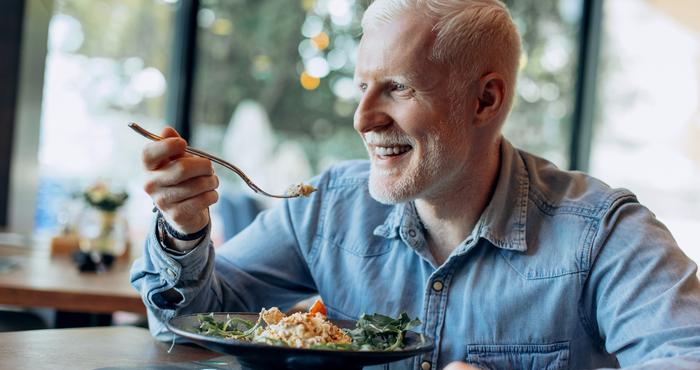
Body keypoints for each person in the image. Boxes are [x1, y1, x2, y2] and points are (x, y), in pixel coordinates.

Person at [131, 0, 700, 369]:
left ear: (485, 100)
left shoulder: (605, 234)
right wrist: (184, 232)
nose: (362, 120)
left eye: (397, 88)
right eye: (361, 88)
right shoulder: (329, 206)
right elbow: (192, 320)